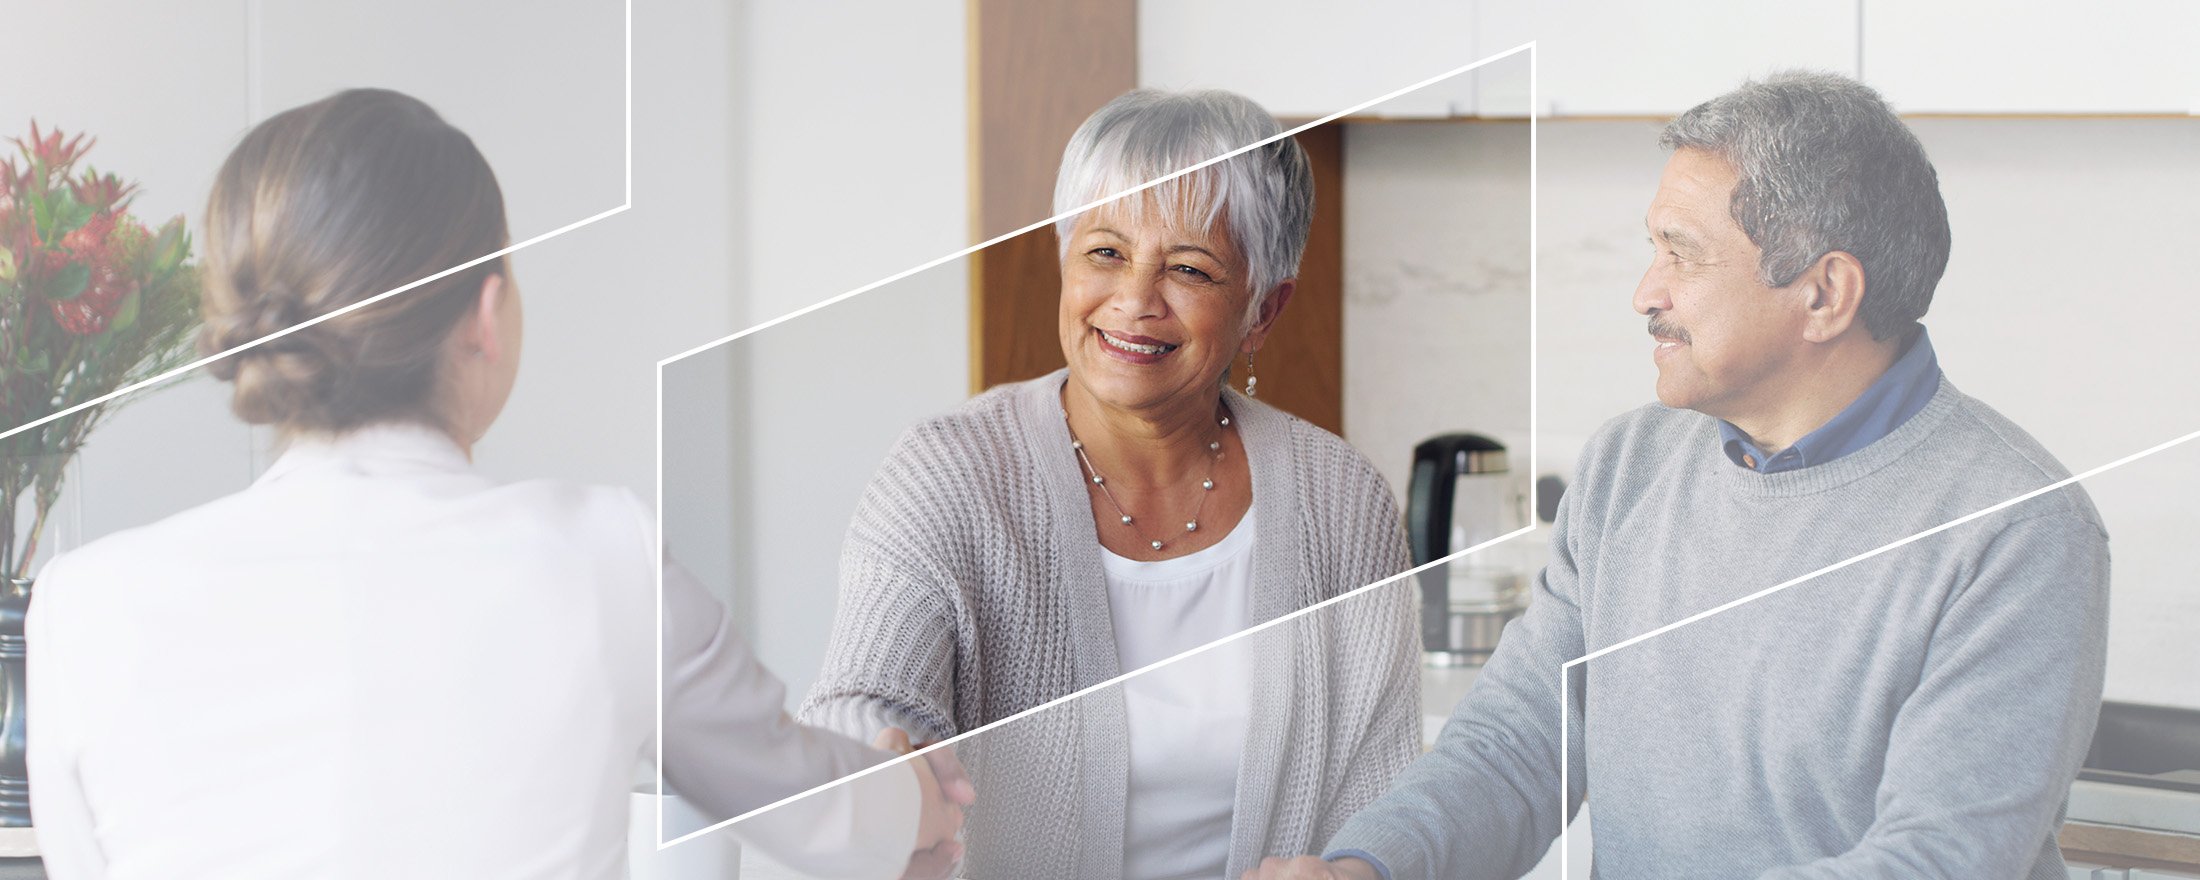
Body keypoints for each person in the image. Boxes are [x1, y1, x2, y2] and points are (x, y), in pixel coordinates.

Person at [25, 88, 967, 879]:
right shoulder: (600, 555)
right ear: (487, 311)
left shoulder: (83, 606)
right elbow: (817, 813)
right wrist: (916, 796)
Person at [1245, 71, 2111, 880]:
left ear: (1824, 295)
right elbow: (1514, 747)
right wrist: (1366, 868)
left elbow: (1937, 862)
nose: (1645, 292)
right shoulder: (1630, 466)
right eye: (1652, 248)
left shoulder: (2018, 529)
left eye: (1683, 255)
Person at [799, 88, 1420, 879]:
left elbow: (1383, 792)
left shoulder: (1343, 500)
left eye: (1188, 269)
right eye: (1106, 253)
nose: (1133, 301)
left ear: (1262, 310)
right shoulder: (945, 474)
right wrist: (876, 768)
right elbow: (865, 698)